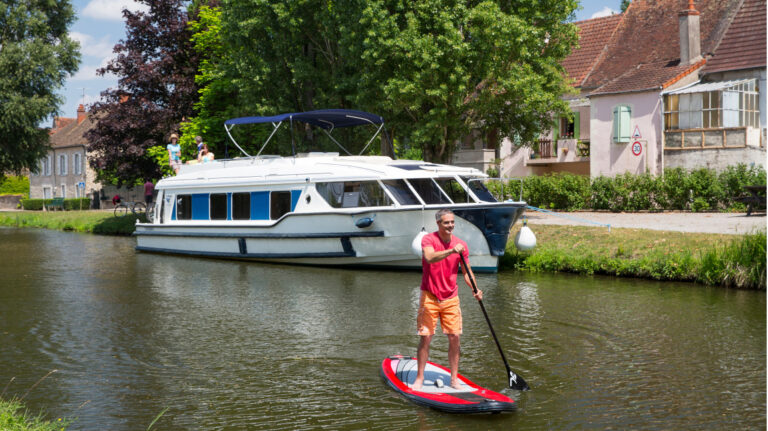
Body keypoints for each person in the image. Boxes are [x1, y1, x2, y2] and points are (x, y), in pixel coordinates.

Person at [413, 208, 482, 391]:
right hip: (430, 295)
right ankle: (419, 378)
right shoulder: (429, 240)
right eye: (446, 222)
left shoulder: (461, 245)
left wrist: (475, 289)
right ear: (438, 223)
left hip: (451, 297)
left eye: (452, 222)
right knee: (426, 337)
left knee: (454, 337)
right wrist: (451, 250)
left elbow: (467, 271)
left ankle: (454, 379)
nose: (450, 225)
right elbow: (429, 257)